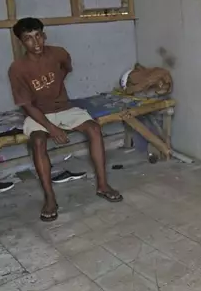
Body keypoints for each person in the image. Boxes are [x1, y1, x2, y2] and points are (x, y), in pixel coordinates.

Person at [8, 17, 123, 222]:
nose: (36, 43)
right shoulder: (17, 69)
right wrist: (51, 128)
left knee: (94, 129)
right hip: (38, 113)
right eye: (28, 39)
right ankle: (50, 198)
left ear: (44, 35)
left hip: (64, 108)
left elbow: (66, 68)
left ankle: (103, 185)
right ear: (21, 42)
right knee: (38, 141)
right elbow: (27, 106)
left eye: (38, 36)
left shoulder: (59, 53)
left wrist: (57, 88)